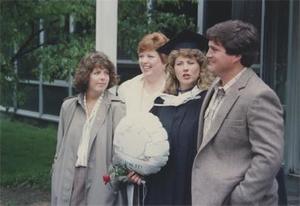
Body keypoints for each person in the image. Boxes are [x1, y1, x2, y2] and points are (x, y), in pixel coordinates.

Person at [191, 20, 284, 205]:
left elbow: (269, 158)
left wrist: (241, 198)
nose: (207, 55)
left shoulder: (259, 95)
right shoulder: (215, 87)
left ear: (237, 55)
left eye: (214, 49)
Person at [140, 30, 214, 205]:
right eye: (179, 63)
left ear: (201, 67)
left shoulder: (208, 101)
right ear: (173, 68)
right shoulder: (161, 103)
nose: (185, 68)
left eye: (191, 62)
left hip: (191, 184)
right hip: (160, 184)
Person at [51, 51, 125, 206]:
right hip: (69, 176)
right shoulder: (68, 106)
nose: (103, 77)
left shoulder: (117, 107)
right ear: (86, 75)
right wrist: (57, 174)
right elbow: (59, 150)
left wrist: (110, 179)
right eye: (97, 73)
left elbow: (121, 155)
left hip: (101, 180)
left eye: (106, 73)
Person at [118, 32, 169, 114]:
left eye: (150, 56)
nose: (144, 61)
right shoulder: (126, 88)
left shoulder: (176, 89)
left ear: (164, 60)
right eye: (141, 56)